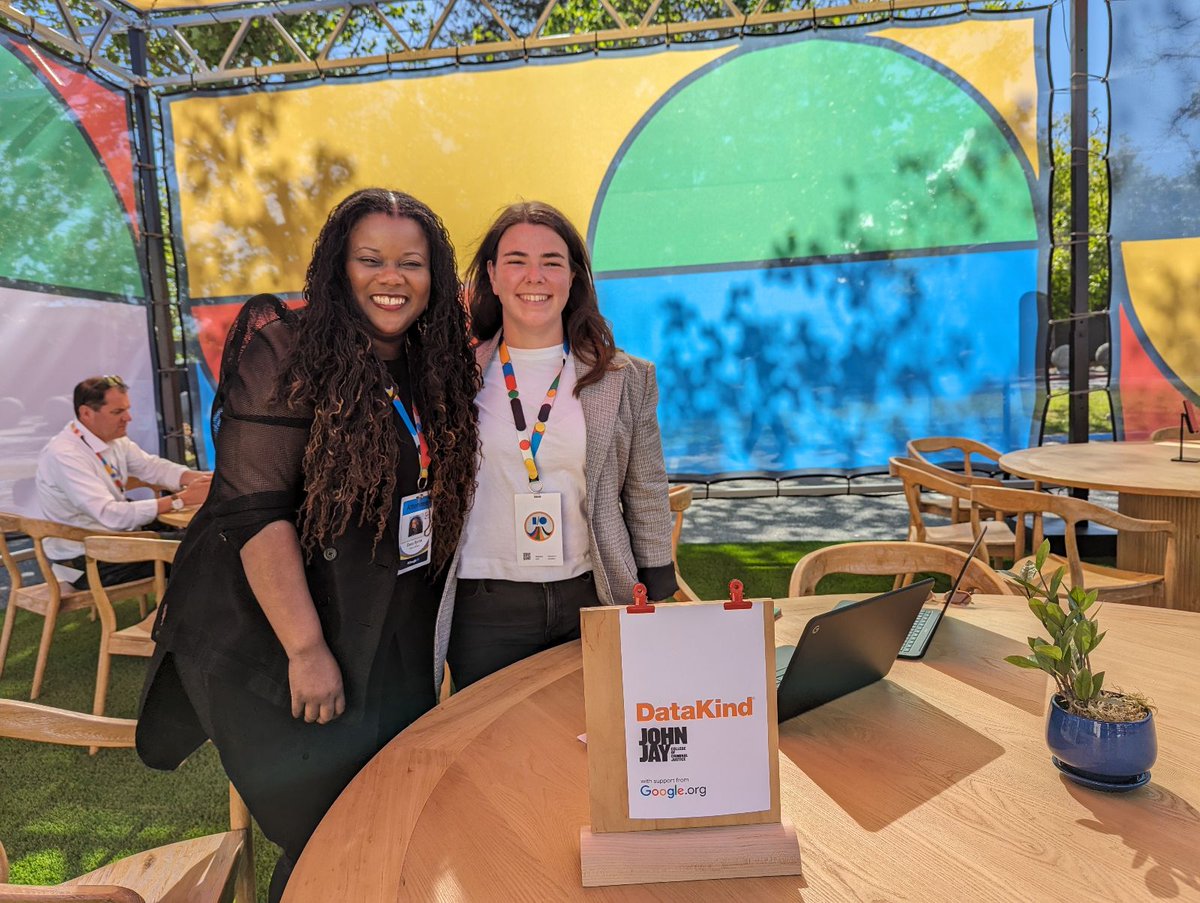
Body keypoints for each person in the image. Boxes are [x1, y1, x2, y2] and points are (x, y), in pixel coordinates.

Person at [135, 189, 480, 902]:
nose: (393, 277)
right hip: (274, 644)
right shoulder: (283, 349)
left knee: (392, 818)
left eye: (412, 262)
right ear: (337, 268)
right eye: (372, 259)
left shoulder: (426, 362)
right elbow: (255, 510)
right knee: (332, 832)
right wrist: (305, 648)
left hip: (383, 632)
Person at [443, 201, 677, 690]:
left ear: (573, 277)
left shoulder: (625, 377)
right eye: (516, 261)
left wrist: (656, 585)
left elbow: (647, 490)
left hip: (590, 598)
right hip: (484, 610)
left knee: (592, 751)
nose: (535, 277)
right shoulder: (450, 378)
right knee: (494, 757)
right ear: (491, 274)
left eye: (552, 262)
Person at [35, 374, 211, 586]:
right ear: (86, 413)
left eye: (127, 409)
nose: (128, 418)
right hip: (85, 560)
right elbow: (110, 515)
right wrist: (180, 500)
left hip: (110, 542)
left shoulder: (110, 439)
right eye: (118, 412)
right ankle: (177, 615)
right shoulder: (65, 454)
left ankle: (181, 612)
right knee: (203, 547)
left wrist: (201, 478)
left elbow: (152, 467)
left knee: (204, 536)